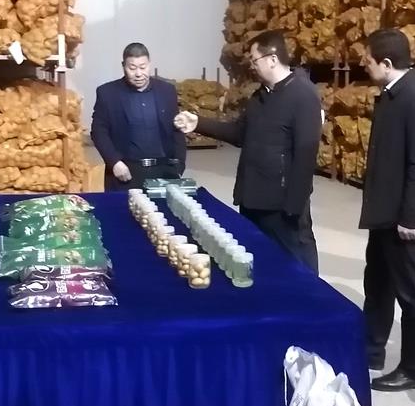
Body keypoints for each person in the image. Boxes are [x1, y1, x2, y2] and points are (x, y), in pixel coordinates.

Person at [174, 30, 321, 272]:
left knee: (296, 265)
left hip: (282, 206)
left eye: (255, 60)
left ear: (272, 59)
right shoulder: (260, 96)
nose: (252, 66)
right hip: (253, 198)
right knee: (260, 264)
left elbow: (305, 155)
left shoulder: (303, 95)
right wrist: (198, 123)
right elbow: (239, 133)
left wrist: (294, 206)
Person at [358, 29, 415, 392]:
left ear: (386, 63)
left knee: (413, 294)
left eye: (368, 59)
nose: (363, 64)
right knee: (378, 283)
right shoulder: (392, 95)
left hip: (403, 215)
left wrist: (412, 216)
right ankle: (371, 349)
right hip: (385, 209)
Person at [91, 43, 187, 192]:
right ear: (123, 66)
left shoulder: (166, 90)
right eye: (132, 68)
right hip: (125, 171)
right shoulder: (108, 93)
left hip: (163, 170)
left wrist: (179, 164)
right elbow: (99, 131)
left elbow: (177, 128)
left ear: (149, 64)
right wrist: (114, 162)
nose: (138, 73)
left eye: (143, 67)